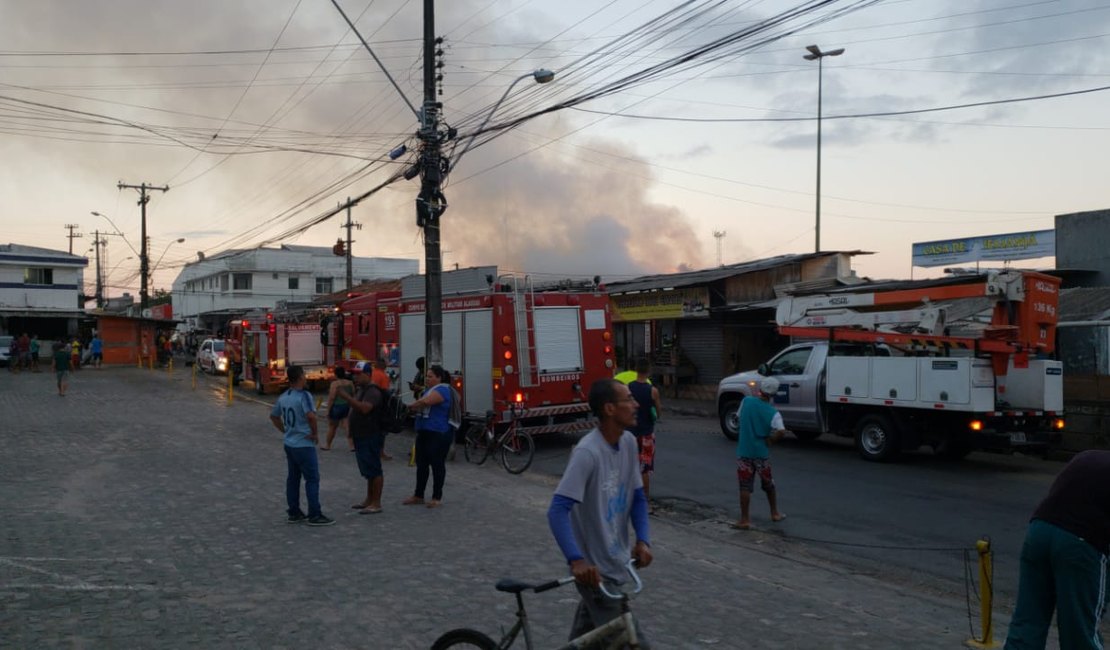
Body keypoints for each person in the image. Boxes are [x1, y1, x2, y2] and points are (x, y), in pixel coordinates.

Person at [547, 378, 653, 647]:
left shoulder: (628, 443)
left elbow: (638, 497)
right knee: (632, 642)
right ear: (609, 409)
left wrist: (643, 539)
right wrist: (576, 560)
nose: (636, 404)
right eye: (628, 399)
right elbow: (557, 510)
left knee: (586, 641)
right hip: (596, 574)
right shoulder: (587, 452)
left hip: (615, 564)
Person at [1003, 451, 1110, 650]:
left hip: (1039, 532)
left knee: (1028, 619)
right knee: (1079, 629)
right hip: (1079, 544)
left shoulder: (1088, 457)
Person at [268, 365, 334, 526]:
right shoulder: (304, 396)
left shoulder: (284, 396)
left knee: (293, 478)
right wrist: (315, 433)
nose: (305, 378)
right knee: (312, 479)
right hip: (304, 444)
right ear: (299, 378)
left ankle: (294, 511)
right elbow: (311, 416)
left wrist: (285, 430)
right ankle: (314, 514)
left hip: (290, 443)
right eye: (303, 375)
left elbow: (274, 416)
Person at [733, 377, 789, 530]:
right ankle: (774, 513)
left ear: (761, 388)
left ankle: (744, 520)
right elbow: (781, 431)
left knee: (744, 486)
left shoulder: (746, 401)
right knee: (768, 483)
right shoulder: (773, 413)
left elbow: (737, 419)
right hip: (761, 453)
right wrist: (771, 440)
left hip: (744, 451)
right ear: (774, 393)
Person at [338, 361, 385, 515]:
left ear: (367, 374)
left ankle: (376, 503)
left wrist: (346, 397)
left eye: (358, 374)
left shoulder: (373, 392)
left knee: (374, 469)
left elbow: (365, 408)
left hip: (370, 434)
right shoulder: (361, 389)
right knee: (367, 470)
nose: (355, 377)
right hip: (361, 435)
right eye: (354, 374)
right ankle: (369, 499)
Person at [404, 365, 453, 508]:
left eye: (431, 376)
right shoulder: (428, 390)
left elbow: (427, 402)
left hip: (438, 432)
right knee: (422, 464)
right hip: (424, 431)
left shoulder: (443, 390)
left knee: (437, 465)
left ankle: (436, 497)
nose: (427, 378)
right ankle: (418, 495)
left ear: (439, 378)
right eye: (427, 376)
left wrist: (411, 406)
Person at [628, 357, 662, 512]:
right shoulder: (653, 391)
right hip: (647, 434)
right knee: (645, 470)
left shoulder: (628, 388)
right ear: (648, 371)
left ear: (636, 369)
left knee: (630, 467)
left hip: (630, 434)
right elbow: (658, 413)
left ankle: (628, 500)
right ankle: (645, 503)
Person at [320, 366, 354, 451]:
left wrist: (328, 410)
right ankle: (352, 446)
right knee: (347, 426)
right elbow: (353, 394)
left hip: (336, 407)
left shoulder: (334, 384)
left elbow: (332, 398)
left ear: (335, 374)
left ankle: (328, 445)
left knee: (332, 427)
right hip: (347, 406)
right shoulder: (350, 383)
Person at [370, 358, 394, 460]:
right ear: (383, 365)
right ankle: (380, 453)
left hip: (368, 404)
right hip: (379, 407)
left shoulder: (371, 373)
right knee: (381, 431)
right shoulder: (383, 376)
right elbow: (385, 392)